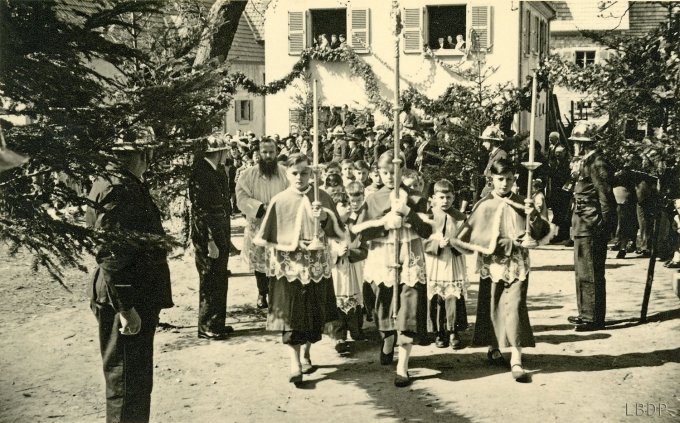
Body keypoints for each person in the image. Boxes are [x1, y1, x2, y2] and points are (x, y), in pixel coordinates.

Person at [87, 127, 173, 422]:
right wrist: (125, 307)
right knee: (125, 385)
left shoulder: (120, 183)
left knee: (135, 383)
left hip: (134, 296)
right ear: (140, 154)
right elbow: (111, 255)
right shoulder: (119, 189)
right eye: (147, 152)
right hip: (125, 298)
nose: (149, 159)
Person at [456, 158, 551, 382]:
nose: (504, 184)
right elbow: (469, 234)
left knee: (515, 307)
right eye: (500, 179)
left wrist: (533, 215)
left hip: (517, 263)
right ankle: (494, 346)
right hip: (494, 263)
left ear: (515, 179)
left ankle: (516, 358)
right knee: (493, 304)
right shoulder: (484, 204)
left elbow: (540, 232)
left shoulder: (523, 202)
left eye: (509, 179)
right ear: (492, 179)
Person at [254, 153, 344, 385]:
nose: (300, 177)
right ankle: (294, 363)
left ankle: (306, 353)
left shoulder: (321, 196)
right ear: (287, 173)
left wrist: (324, 217)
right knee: (293, 315)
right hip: (290, 267)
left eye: (305, 172)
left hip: (315, 265)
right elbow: (269, 239)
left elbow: (338, 232)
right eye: (295, 173)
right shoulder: (280, 200)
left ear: (311, 173)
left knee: (313, 315)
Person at [353, 150, 432, 388]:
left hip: (409, 258)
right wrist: (383, 223)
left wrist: (408, 213)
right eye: (385, 172)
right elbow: (359, 232)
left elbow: (428, 231)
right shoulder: (373, 198)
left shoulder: (416, 198)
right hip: (383, 258)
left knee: (408, 307)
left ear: (403, 172)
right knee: (384, 305)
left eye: (394, 172)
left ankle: (403, 365)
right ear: (378, 173)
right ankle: (388, 339)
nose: (389, 177)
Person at [567, 123, 616, 332]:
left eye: (577, 142)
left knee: (591, 272)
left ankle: (593, 317)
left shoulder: (597, 163)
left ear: (584, 144)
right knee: (582, 272)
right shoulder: (586, 161)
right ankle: (585, 312)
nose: (575, 146)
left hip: (592, 225)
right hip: (582, 224)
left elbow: (605, 198)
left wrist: (603, 227)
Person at [189, 132, 233, 340]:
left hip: (220, 228)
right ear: (217, 152)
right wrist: (209, 241)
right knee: (209, 278)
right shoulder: (201, 173)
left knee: (219, 276)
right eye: (225, 150)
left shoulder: (218, 171)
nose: (227, 153)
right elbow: (200, 211)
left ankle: (217, 322)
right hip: (208, 232)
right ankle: (206, 325)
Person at [236, 138, 289, 309]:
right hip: (258, 223)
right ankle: (262, 293)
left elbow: (293, 193)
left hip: (279, 223)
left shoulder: (285, 173)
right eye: (264, 152)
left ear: (276, 152)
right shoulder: (248, 174)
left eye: (271, 152)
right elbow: (241, 197)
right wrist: (259, 208)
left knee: (278, 258)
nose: (268, 156)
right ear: (258, 153)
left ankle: (277, 294)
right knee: (259, 261)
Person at [423, 180, 468, 349]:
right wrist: (436, 244)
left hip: (453, 260)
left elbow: (467, 241)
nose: (445, 201)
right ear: (434, 197)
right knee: (436, 296)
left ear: (454, 197)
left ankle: (453, 330)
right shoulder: (428, 216)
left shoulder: (460, 217)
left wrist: (455, 243)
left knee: (453, 295)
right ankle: (439, 331)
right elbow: (422, 240)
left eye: (448, 197)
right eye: (441, 197)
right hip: (435, 261)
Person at [325, 191, 367, 355]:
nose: (349, 207)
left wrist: (351, 253)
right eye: (344, 204)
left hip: (352, 270)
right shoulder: (326, 231)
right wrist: (336, 254)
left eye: (350, 203)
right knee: (336, 301)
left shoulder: (355, 228)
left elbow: (364, 250)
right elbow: (322, 253)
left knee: (354, 298)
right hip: (336, 273)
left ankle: (356, 329)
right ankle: (338, 336)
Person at [479, 125, 508, 197]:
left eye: (485, 141)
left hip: (494, 192)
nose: (483, 144)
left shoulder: (501, 155)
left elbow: (502, 177)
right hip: (489, 189)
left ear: (492, 142)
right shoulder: (493, 154)